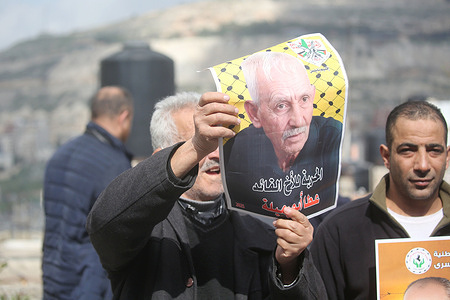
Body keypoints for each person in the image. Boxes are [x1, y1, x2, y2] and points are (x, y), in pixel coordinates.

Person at [86, 91, 327, 299]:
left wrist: (289, 266)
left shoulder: (261, 231)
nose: (214, 154)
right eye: (203, 143)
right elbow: (105, 222)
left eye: (219, 143)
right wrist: (195, 147)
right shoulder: (143, 232)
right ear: (162, 157)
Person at [310, 100, 450, 300]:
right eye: (407, 150)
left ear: (447, 156)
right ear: (386, 156)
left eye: (434, 150)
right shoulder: (341, 230)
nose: (422, 165)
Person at [223, 51, 343, 218]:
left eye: (304, 99)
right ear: (254, 113)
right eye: (281, 105)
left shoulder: (331, 135)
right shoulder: (236, 149)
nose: (298, 121)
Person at [42, 86, 134, 300]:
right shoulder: (114, 165)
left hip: (54, 279)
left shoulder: (59, 156)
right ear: (124, 116)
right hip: (89, 286)